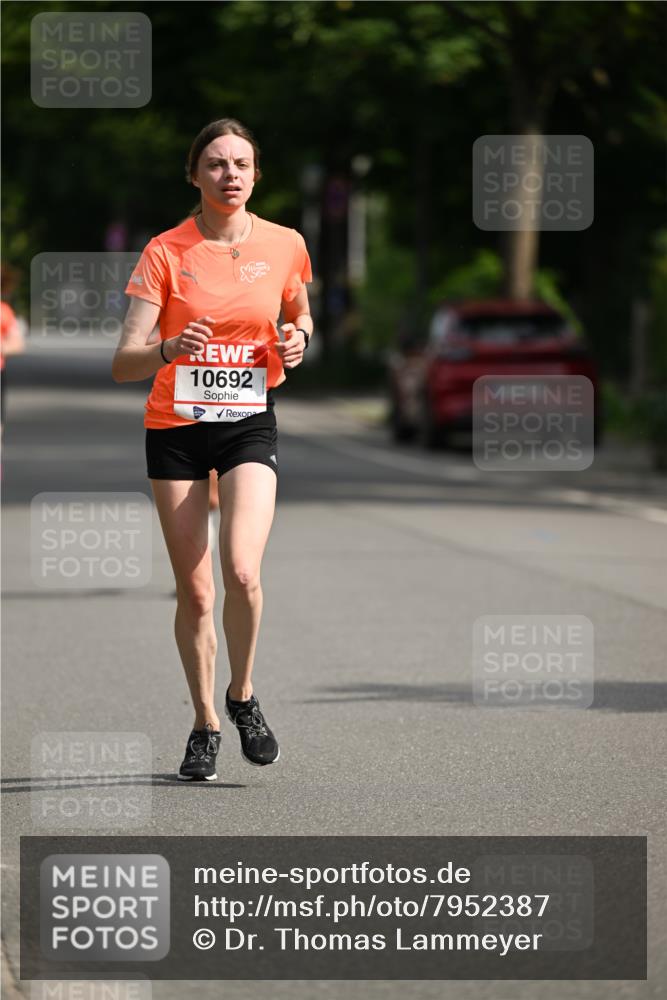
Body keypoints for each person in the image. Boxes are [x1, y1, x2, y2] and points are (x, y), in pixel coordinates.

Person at [112, 118, 313, 781]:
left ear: (257, 176)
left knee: (243, 572)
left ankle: (243, 694)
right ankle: (204, 722)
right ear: (193, 175)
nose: (230, 174)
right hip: (175, 427)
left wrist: (297, 341)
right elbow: (123, 363)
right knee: (196, 595)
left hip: (248, 422)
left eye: (242, 164)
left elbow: (298, 314)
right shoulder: (165, 252)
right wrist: (169, 349)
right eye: (216, 164)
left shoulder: (285, 244)